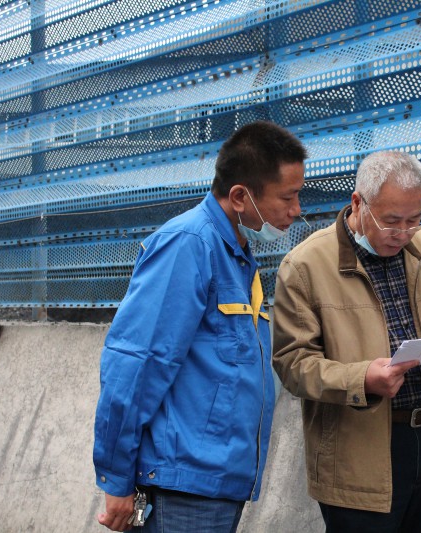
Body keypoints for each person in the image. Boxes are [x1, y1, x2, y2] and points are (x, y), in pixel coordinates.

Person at [93, 120, 307, 532]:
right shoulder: (188, 246)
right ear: (240, 196)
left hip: (215, 481)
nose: (296, 210)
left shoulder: (236, 256)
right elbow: (136, 364)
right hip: (183, 487)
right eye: (287, 196)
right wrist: (116, 477)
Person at [271, 150, 421, 532]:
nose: (402, 234)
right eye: (391, 221)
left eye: (413, 220)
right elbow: (293, 364)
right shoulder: (305, 266)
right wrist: (362, 380)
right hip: (358, 451)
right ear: (358, 203)